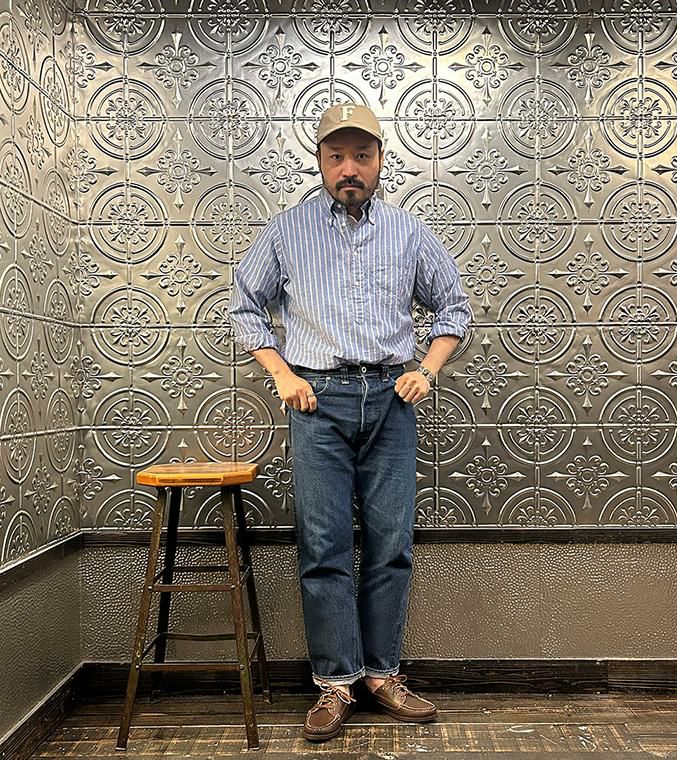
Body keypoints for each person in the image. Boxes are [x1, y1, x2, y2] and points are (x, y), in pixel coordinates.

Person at [229, 102, 471, 742]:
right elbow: (245, 304)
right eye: (336, 157)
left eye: (362, 156)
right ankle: (335, 684)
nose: (349, 169)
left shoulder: (409, 232)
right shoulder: (287, 230)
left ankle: (383, 675)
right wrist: (282, 374)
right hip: (318, 403)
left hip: (392, 400)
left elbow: (454, 307)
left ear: (380, 160)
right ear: (320, 161)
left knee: (391, 544)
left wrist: (428, 369)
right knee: (324, 544)